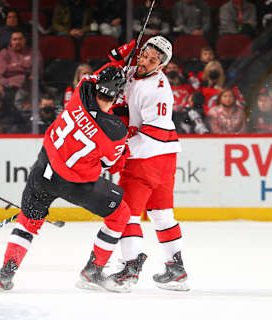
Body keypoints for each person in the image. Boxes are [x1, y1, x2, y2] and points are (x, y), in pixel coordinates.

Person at [0, 64, 132, 293]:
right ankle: (92, 271)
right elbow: (109, 164)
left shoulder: (81, 91)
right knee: (121, 214)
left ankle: (4, 274)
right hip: (77, 185)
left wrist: (118, 62)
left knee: (29, 222)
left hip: (43, 170)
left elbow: (91, 76)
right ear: (117, 95)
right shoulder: (116, 131)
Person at [106, 36, 189, 291]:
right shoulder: (135, 70)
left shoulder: (157, 89)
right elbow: (111, 69)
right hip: (166, 157)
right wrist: (120, 54)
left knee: (126, 212)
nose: (146, 61)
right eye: (145, 55)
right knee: (161, 214)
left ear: (161, 66)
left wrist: (121, 150)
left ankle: (129, 270)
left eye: (155, 60)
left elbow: (154, 132)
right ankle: (176, 270)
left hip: (148, 156)